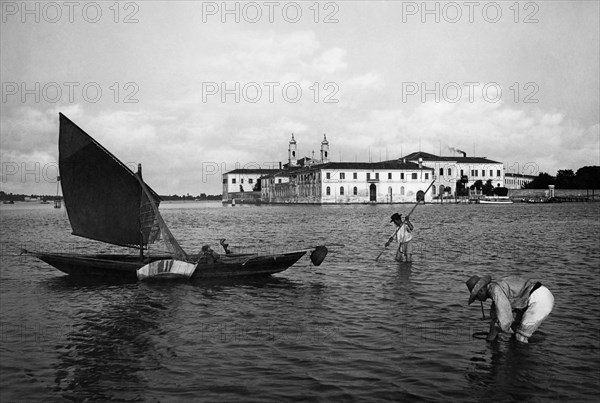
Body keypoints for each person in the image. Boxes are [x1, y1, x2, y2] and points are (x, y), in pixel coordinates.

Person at [466, 275, 554, 343]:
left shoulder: (496, 290)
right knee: (515, 330)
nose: (478, 300)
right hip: (533, 297)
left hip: (539, 298)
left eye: (476, 297)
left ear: (481, 291)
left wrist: (493, 335)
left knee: (520, 336)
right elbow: (496, 315)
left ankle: (524, 360)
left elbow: (505, 320)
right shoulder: (495, 290)